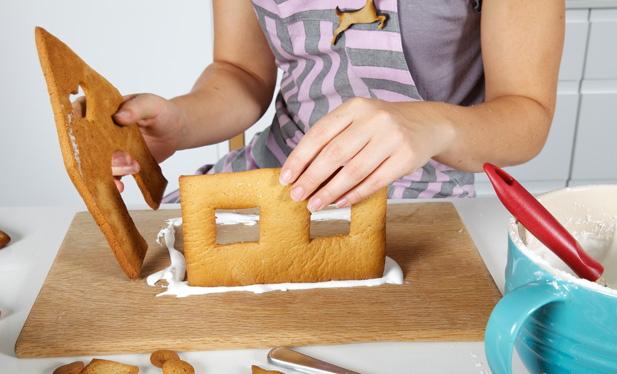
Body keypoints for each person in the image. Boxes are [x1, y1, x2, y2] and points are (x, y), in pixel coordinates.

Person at [110, 0, 565, 213]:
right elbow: (240, 71)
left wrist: (431, 125)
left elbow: (527, 113)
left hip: (421, 208)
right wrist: (181, 122)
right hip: (273, 175)